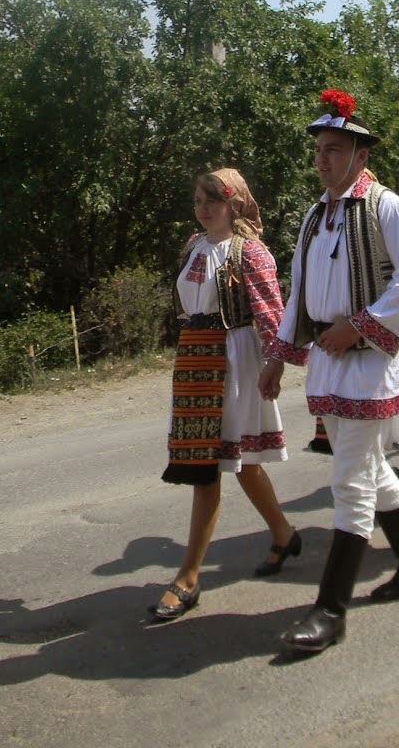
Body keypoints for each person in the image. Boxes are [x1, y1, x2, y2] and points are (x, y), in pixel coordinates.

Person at [261, 90, 399, 654]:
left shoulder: (388, 206)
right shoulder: (316, 215)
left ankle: (331, 609)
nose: (322, 159)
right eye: (318, 150)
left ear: (360, 155)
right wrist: (278, 355)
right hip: (331, 362)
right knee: (366, 466)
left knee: (350, 480)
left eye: (333, 150)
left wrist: (359, 326)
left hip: (370, 361)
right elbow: (301, 295)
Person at [151, 169, 299, 621]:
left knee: (212, 467)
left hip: (235, 356)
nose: (204, 208)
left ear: (234, 203)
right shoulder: (192, 247)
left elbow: (271, 311)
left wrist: (275, 362)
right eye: (198, 200)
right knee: (237, 464)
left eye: (213, 199)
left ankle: (188, 577)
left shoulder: (249, 251)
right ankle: (284, 535)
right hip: (196, 358)